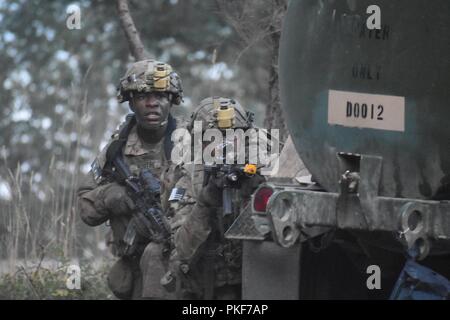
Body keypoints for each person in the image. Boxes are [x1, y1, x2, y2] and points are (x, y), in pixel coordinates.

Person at [76, 59, 184, 299]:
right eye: (142, 96)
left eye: (161, 96)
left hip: (181, 261)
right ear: (131, 102)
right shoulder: (116, 150)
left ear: (172, 100)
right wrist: (112, 196)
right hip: (134, 266)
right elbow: (86, 208)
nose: (152, 103)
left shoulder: (191, 144)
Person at [161, 97, 266, 299]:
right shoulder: (189, 179)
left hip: (255, 279)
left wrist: (259, 192)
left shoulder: (259, 165)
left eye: (233, 136)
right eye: (214, 138)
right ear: (200, 141)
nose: (224, 146)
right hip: (207, 284)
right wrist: (205, 203)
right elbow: (181, 250)